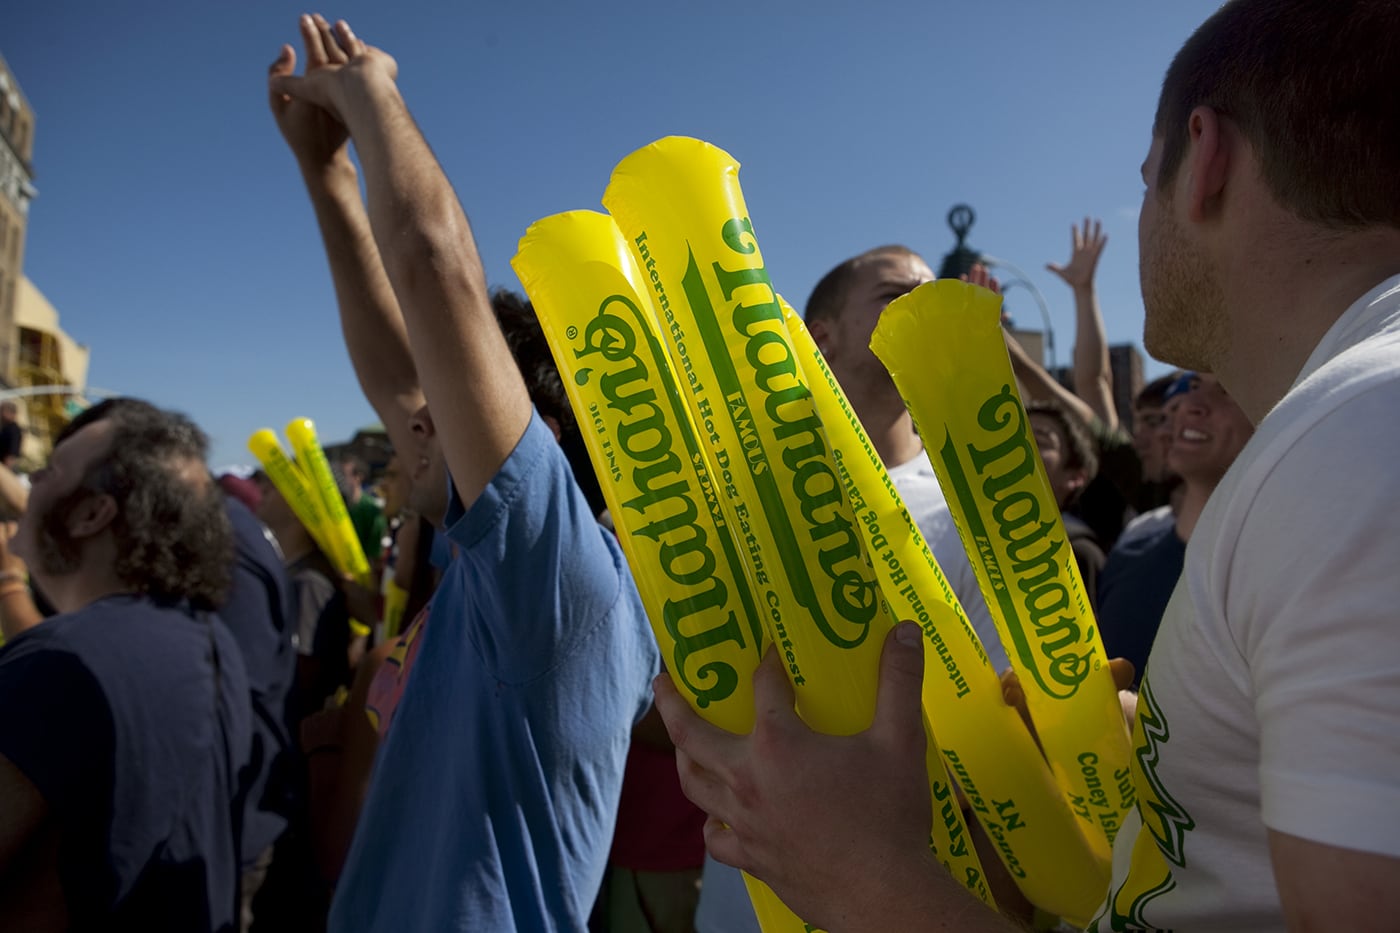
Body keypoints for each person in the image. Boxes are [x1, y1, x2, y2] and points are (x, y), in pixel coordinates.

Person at [654, 0, 1400, 929]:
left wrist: (856, 870)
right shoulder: (1341, 436)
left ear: (1203, 157)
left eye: (1143, 179)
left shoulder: (1358, 435)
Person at [269, 15, 657, 930]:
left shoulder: (563, 585)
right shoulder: (497, 565)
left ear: (537, 437)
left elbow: (435, 268)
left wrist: (374, 96)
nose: (410, 418)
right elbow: (398, 370)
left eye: (443, 410)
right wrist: (325, 174)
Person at [692, 245, 1015, 932]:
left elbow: (1007, 744)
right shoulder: (733, 496)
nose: (922, 302)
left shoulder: (973, 504)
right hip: (742, 900)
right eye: (896, 292)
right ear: (822, 335)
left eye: (934, 291)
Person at [0, 399, 252, 931]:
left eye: (49, 470)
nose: (31, 484)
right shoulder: (206, 638)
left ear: (92, 513)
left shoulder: (61, 661)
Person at [1096, 372, 1253, 688]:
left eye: (1225, 389)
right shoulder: (1130, 550)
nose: (1190, 406)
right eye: (1194, 386)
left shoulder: (1276, 575)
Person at [1026, 399, 1105, 610]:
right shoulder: (963, 533)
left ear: (1075, 477)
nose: (1017, 448)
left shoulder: (1080, 554)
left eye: (1039, 441)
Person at [338, 456, 385, 564]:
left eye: (345, 475)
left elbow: (374, 554)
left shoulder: (371, 509)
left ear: (358, 477)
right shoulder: (339, 505)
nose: (341, 480)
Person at [0, 402, 23, 469]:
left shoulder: (14, 430)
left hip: (5, 466)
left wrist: (6, 468)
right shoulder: (4, 427)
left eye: (2, 411)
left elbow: (12, 453)